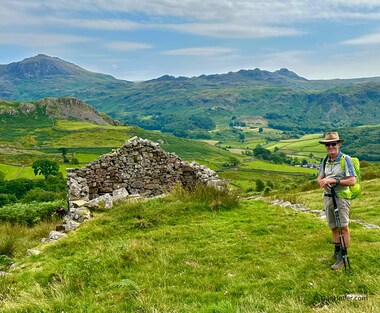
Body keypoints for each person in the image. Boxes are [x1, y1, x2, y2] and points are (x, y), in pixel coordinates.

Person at [317, 132, 356, 270]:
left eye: (333, 144)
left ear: (339, 144)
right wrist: (322, 182)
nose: (331, 146)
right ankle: (337, 253)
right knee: (333, 226)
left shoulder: (346, 159)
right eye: (328, 144)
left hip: (341, 198)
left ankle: (343, 257)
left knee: (343, 227)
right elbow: (319, 177)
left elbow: (352, 180)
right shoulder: (325, 160)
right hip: (328, 197)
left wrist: (334, 180)